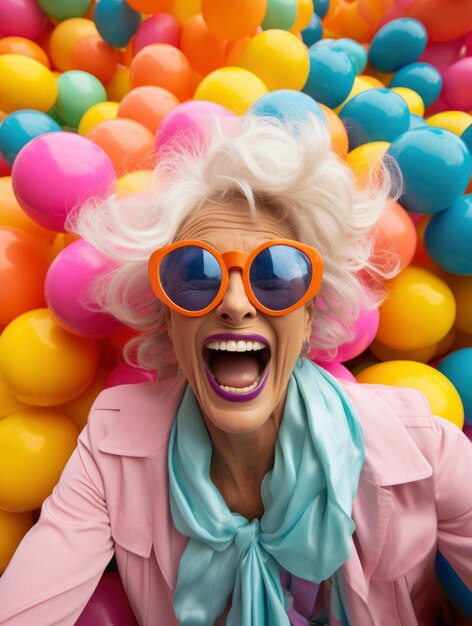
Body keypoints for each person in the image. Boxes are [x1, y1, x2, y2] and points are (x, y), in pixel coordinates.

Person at [0, 113, 471, 626]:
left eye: (277, 272)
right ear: (168, 319)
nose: (234, 302)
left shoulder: (425, 446)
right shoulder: (108, 448)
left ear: (310, 316)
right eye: (194, 273)